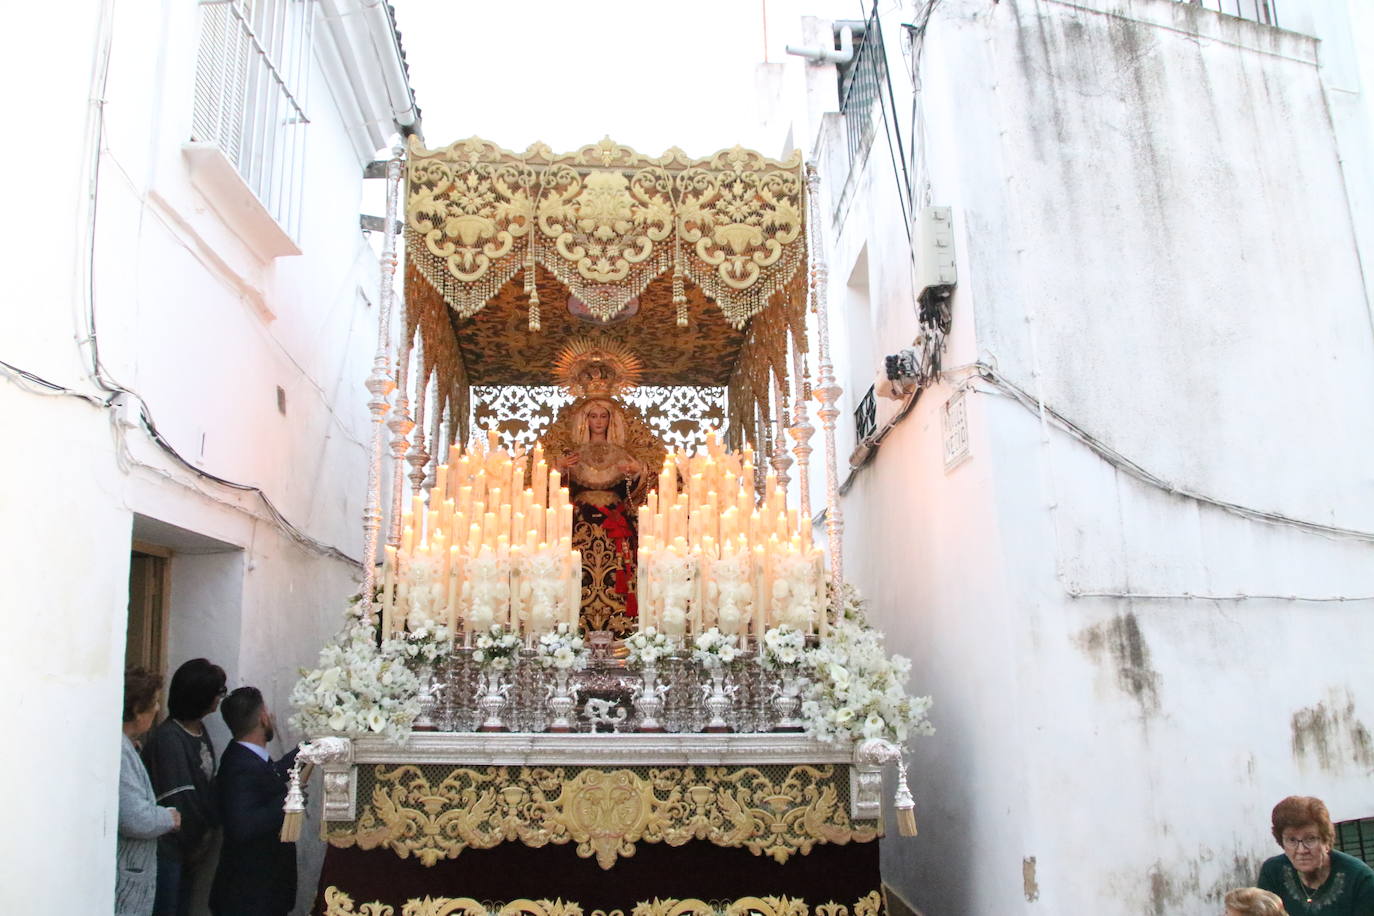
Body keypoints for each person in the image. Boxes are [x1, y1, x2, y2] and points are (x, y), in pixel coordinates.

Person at [553, 397, 649, 635]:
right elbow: (556, 490)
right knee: (578, 570)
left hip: (614, 525)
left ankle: (620, 623)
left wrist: (639, 472)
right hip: (580, 526)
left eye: (603, 416)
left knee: (617, 570)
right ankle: (575, 623)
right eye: (593, 416)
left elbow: (636, 493)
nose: (598, 421)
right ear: (584, 420)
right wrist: (559, 469)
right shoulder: (572, 456)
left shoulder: (623, 455)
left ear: (611, 420)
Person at [142, 658, 227, 916]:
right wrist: (198, 841)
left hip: (190, 845)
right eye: (217, 692)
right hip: (169, 847)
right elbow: (181, 798)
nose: (220, 698)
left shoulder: (198, 729)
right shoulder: (169, 739)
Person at [209, 686, 298, 916]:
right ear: (262, 717)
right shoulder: (239, 765)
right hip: (249, 896)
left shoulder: (245, 757)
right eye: (267, 711)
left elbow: (271, 776)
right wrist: (288, 802)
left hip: (262, 892)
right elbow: (243, 825)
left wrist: (305, 752)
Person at [118, 667, 181, 916]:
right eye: (153, 702)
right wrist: (169, 817)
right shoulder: (119, 752)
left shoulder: (126, 746)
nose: (157, 709)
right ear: (136, 710)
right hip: (125, 879)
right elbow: (133, 818)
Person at [1257, 795, 1374, 915]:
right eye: (1292, 840)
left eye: (1310, 839)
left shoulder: (1360, 879)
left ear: (1326, 841)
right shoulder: (1272, 872)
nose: (1301, 850)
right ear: (1282, 843)